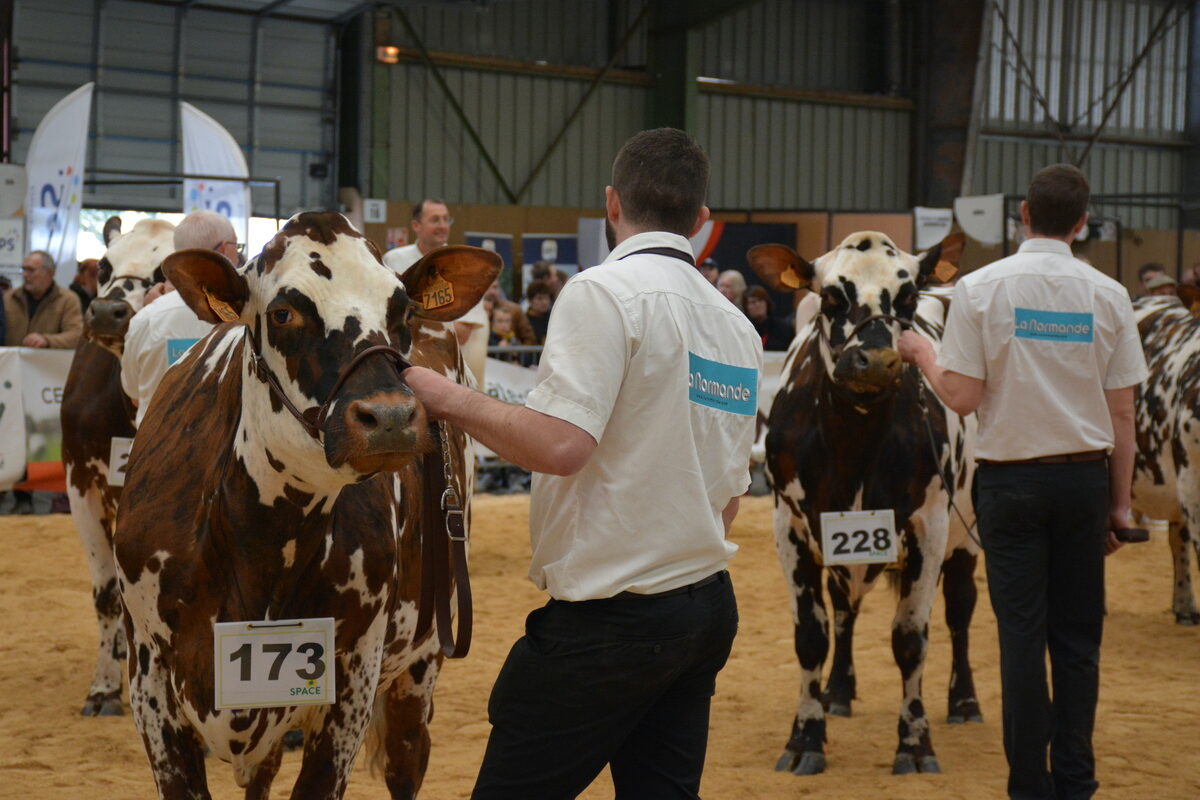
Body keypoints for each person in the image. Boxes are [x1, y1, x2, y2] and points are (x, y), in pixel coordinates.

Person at [403, 127, 762, 799]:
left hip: (611, 622)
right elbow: (731, 493)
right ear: (703, 222)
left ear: (611, 204)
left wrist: (446, 396)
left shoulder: (603, 293)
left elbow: (561, 445)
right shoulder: (734, 325)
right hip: (704, 606)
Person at [898, 164, 1147, 800]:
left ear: (1024, 217)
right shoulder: (1110, 294)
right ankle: (1077, 779)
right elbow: (1123, 412)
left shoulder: (979, 289)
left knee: (1022, 638)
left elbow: (961, 396)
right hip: (1084, 482)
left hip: (1009, 486)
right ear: (1083, 223)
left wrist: (924, 354)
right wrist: (1119, 507)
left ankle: (1028, 785)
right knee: (1078, 639)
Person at [120, 211, 238, 426]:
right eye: (236, 247)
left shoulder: (145, 318)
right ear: (223, 250)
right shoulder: (245, 318)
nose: (238, 257)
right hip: (224, 453)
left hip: (154, 452)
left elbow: (135, 395)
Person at [384, 198, 488, 384]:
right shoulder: (394, 260)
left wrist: (410, 317)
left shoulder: (464, 265)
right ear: (416, 225)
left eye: (446, 220)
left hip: (448, 376)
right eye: (435, 220)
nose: (443, 226)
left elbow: (463, 333)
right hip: (399, 371)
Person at [4, 250, 83, 349]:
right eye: (23, 270)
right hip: (12, 362)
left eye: (31, 270)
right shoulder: (9, 298)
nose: (25, 275)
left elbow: (76, 335)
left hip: (47, 363)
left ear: (49, 273)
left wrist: (47, 340)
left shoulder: (67, 300)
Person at [742, 285, 792, 351]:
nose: (758, 305)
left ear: (767, 303)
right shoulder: (743, 329)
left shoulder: (783, 328)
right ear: (746, 307)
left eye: (760, 300)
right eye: (753, 302)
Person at [523, 279, 553, 345]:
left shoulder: (553, 317)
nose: (544, 302)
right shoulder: (524, 320)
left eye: (546, 298)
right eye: (539, 298)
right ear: (530, 301)